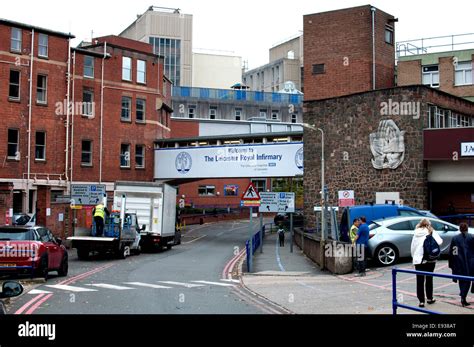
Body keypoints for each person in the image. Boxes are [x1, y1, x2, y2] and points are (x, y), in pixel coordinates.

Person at [410, 219, 443, 308]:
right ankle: (429, 298)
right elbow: (440, 241)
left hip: (418, 260)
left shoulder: (416, 233)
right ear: (428, 224)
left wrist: (414, 257)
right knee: (429, 279)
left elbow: (413, 247)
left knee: (419, 281)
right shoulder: (431, 231)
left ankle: (421, 301)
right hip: (429, 259)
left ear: (420, 224)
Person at [449, 223, 474, 307]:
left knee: (462, 281)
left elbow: (452, 252)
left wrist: (452, 264)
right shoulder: (471, 237)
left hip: (458, 263)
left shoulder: (455, 238)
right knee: (468, 280)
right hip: (470, 263)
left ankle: (463, 297)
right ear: (467, 228)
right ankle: (463, 296)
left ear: (459, 229)